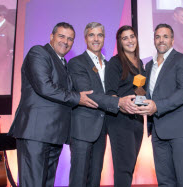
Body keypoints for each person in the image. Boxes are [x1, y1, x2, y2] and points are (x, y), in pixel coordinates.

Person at [8, 22, 98, 187]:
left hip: (54, 135)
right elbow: (45, 87)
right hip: (36, 133)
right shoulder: (38, 52)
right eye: (61, 36)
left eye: (70, 39)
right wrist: (77, 97)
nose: (66, 41)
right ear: (51, 37)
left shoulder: (63, 63)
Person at [67, 22, 136, 187]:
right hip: (83, 128)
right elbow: (89, 94)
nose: (96, 39)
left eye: (100, 35)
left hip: (103, 128)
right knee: (79, 178)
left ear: (104, 38)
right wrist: (118, 102)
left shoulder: (109, 64)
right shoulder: (77, 63)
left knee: (95, 178)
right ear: (85, 38)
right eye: (92, 35)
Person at [136, 23, 183, 187]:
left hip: (179, 131)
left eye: (165, 36)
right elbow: (147, 94)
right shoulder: (148, 66)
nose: (161, 40)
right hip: (157, 131)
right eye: (158, 36)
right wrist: (134, 101)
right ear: (154, 40)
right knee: (164, 181)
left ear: (173, 40)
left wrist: (157, 106)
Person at [104, 25, 144, 187]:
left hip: (137, 120)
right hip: (119, 120)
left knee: (130, 165)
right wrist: (122, 104)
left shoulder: (139, 63)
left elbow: (139, 91)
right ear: (120, 43)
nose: (129, 40)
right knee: (123, 167)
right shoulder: (115, 62)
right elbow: (111, 93)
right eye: (125, 38)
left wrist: (143, 106)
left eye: (132, 36)